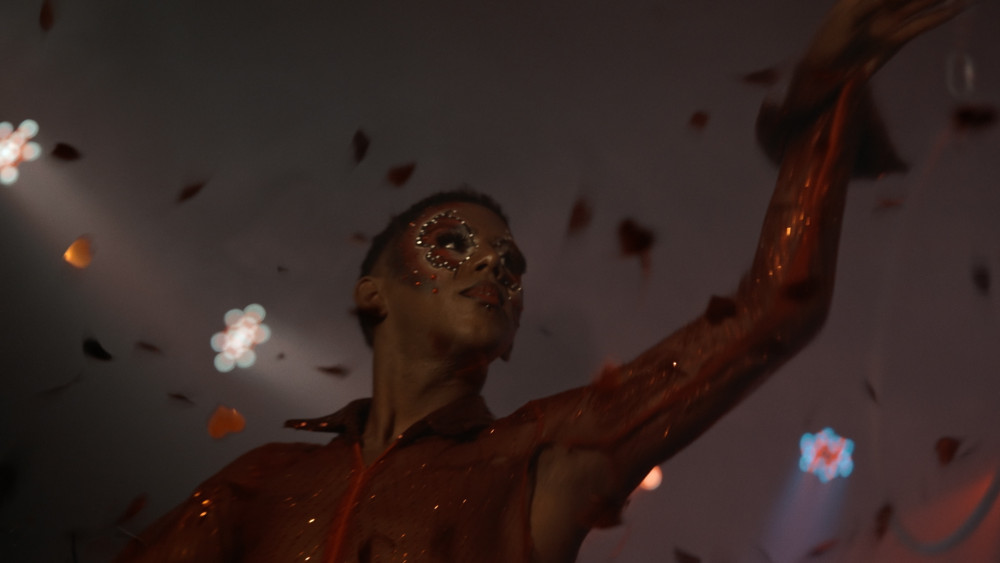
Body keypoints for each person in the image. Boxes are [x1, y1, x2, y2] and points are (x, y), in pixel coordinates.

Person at [115, 1, 964, 561]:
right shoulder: (260, 482)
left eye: (511, 263)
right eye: (452, 244)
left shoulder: (537, 457)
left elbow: (774, 307)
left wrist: (823, 99)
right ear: (372, 290)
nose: (494, 264)